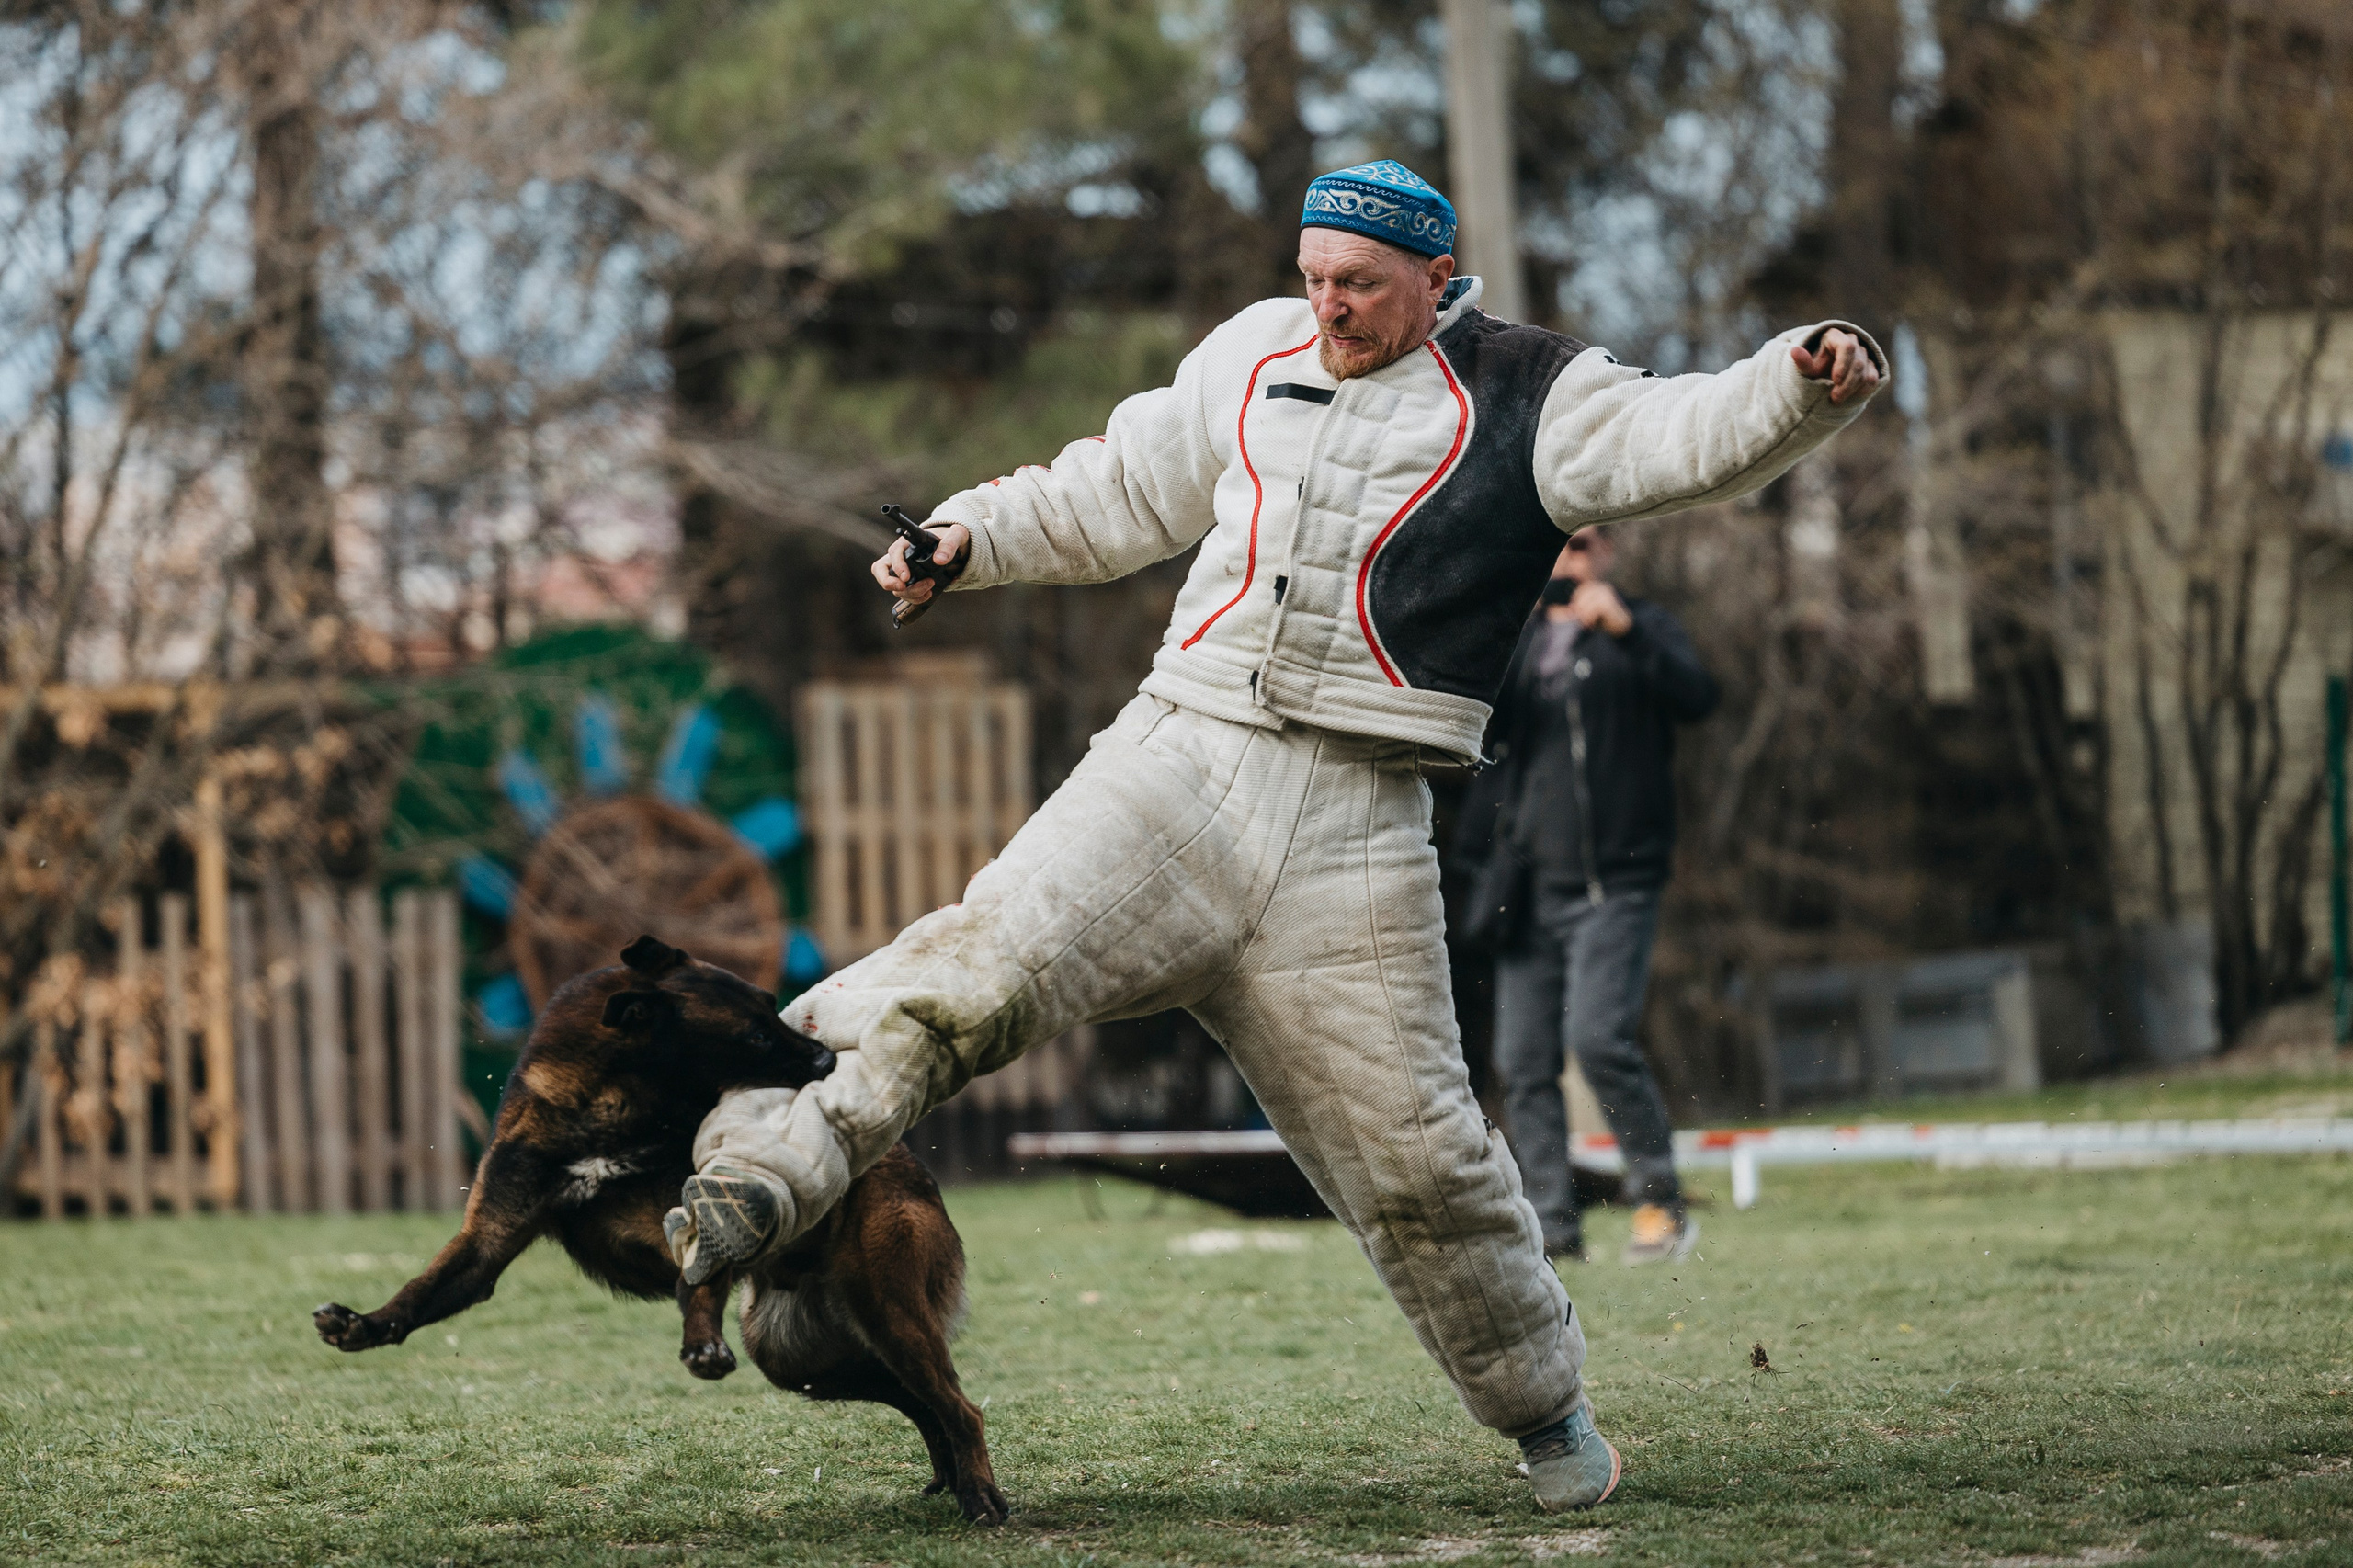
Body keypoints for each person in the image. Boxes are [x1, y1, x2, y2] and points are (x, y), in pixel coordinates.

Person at [664, 160, 1884, 1514]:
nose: (1327, 308)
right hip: (1177, 760)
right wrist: (967, 535)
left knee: (1425, 1161)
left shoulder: (1538, 393)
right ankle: (754, 1174)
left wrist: (1797, 378)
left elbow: (1681, 435)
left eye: (1357, 286)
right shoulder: (1250, 353)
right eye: (1312, 279)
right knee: (974, 965)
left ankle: (1547, 1411)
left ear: (1436, 276)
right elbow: (1110, 490)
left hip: (1359, 824)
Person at [1470, 527, 1718, 1267]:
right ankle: (1553, 1227)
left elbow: (1698, 697)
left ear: (1606, 550)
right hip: (1529, 886)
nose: (1569, 557)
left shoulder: (1642, 628)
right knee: (1522, 1061)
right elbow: (1477, 721)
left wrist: (1629, 630)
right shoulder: (1516, 640)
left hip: (1617, 880)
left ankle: (1659, 1205)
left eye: (1582, 543)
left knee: (1602, 1039)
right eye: (1557, 543)